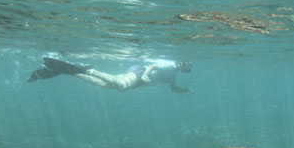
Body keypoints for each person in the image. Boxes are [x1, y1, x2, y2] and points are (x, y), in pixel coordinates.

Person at [29, 57, 192, 93]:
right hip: (139, 72)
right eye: (186, 64)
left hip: (138, 79)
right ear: (181, 63)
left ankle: (69, 71)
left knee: (106, 85)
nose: (186, 67)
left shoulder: (174, 74)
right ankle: (87, 69)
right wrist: (144, 76)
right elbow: (153, 65)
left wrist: (183, 90)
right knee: (121, 85)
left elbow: (173, 88)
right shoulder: (171, 64)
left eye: (188, 67)